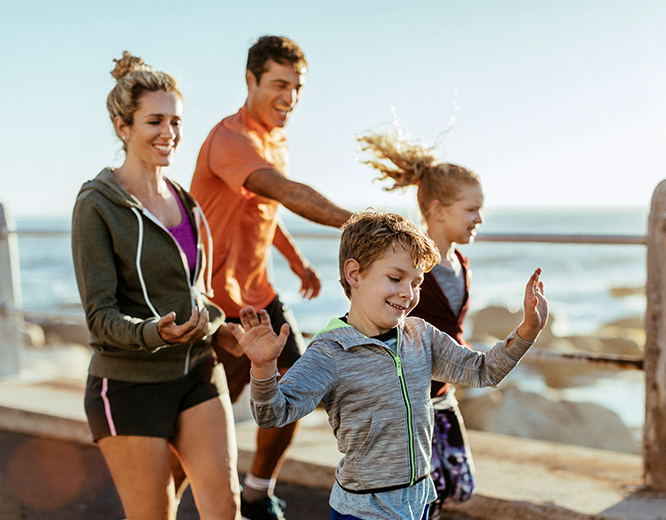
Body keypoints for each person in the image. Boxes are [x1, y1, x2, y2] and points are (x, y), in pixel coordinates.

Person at [230, 210, 548, 520]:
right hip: (363, 511)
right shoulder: (331, 350)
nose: (407, 294)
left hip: (418, 500)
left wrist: (526, 332)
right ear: (355, 274)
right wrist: (263, 368)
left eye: (417, 283)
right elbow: (273, 414)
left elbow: (483, 371)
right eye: (395, 278)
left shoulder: (420, 335)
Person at [189, 35, 352, 520]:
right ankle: (168, 500)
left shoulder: (271, 139)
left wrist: (297, 259)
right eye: (280, 84)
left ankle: (258, 491)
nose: (291, 97)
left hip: (261, 294)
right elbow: (285, 190)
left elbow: (264, 208)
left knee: (297, 390)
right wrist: (363, 222)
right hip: (219, 304)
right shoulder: (230, 139)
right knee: (202, 417)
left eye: (297, 87)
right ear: (250, 80)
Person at [71, 52, 239, 520]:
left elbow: (194, 293)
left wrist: (225, 328)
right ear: (123, 127)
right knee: (154, 514)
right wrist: (155, 333)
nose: (169, 133)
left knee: (224, 507)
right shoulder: (98, 204)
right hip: (129, 386)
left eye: (176, 121)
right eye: (155, 121)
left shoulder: (185, 201)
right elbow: (100, 317)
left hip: (197, 371)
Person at [356, 127, 484, 519]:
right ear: (437, 211)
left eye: (481, 209)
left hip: (441, 395)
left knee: (457, 484)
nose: (479, 218)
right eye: (471, 209)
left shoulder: (460, 264)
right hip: (408, 401)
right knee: (416, 494)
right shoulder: (410, 270)